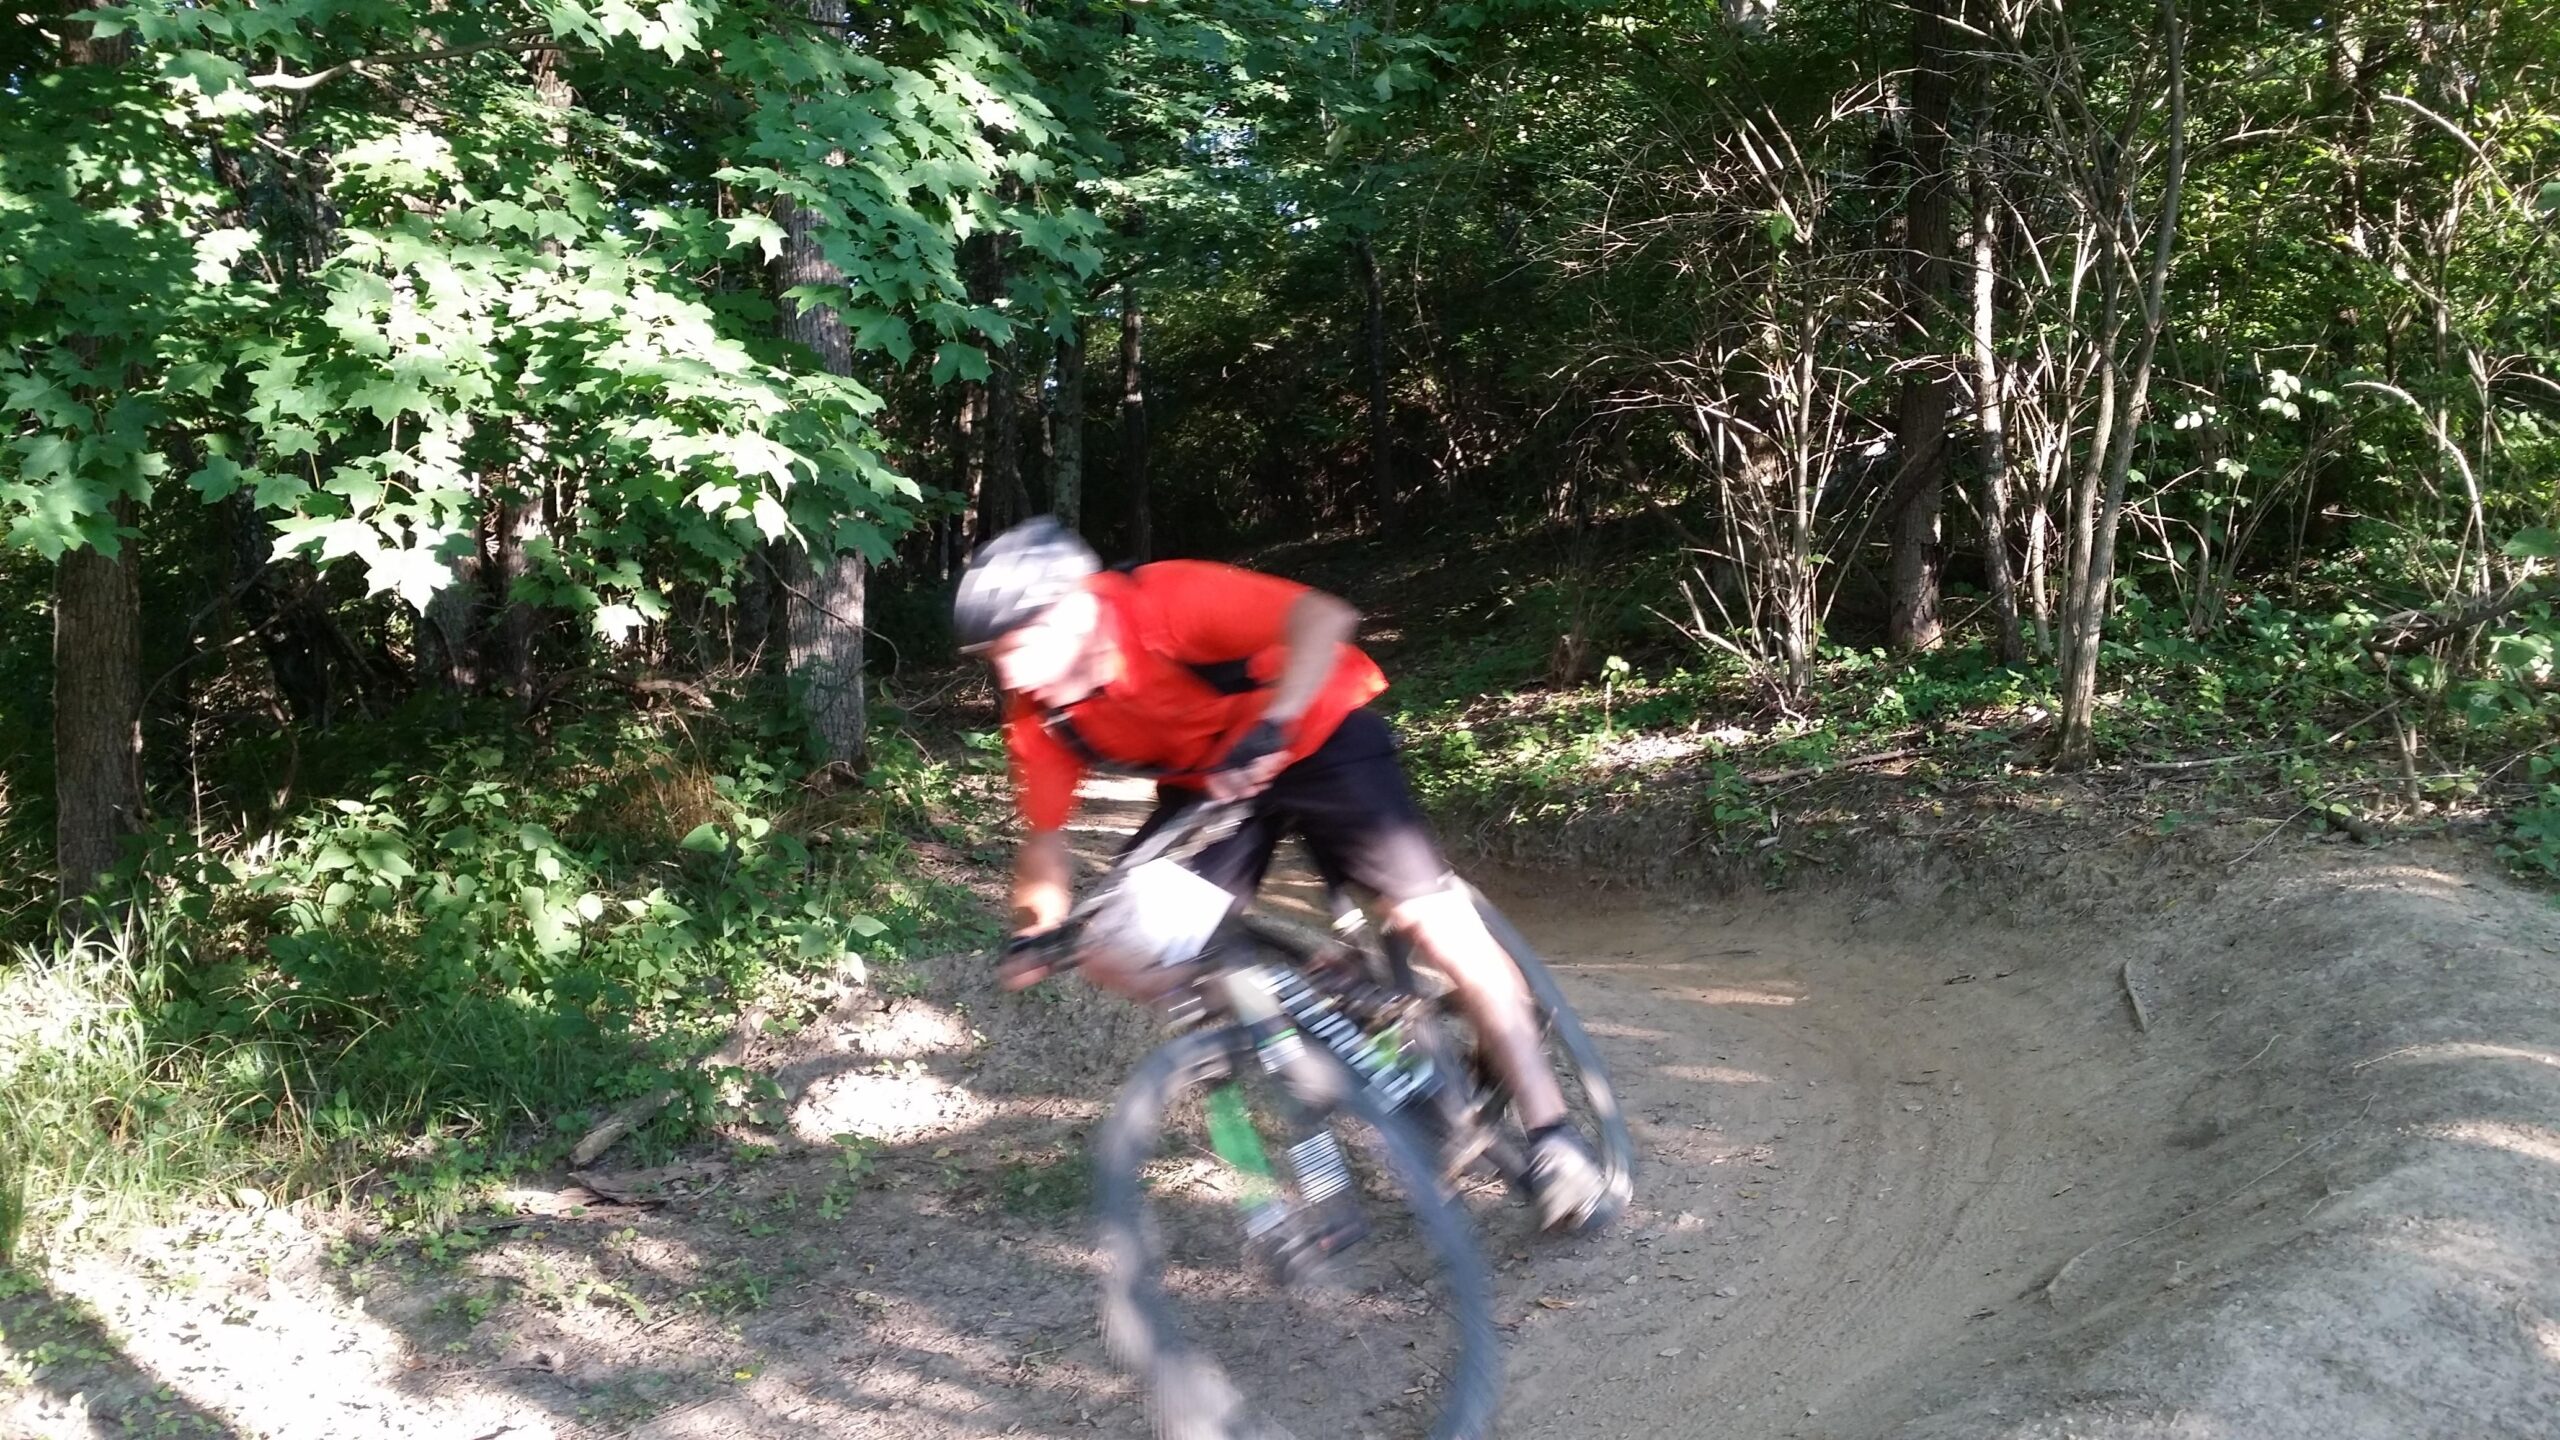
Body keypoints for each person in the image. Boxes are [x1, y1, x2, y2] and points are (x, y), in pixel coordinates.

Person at [953, 515, 1612, 1234]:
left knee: (1430, 920)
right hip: (1216, 789)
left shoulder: (1165, 603)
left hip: (1319, 732)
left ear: (1076, 610)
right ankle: (1312, 1004)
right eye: (996, 658)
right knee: (1122, 945)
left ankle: (1554, 1138)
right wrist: (1037, 931)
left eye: (1017, 647)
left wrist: (1277, 721)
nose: (1010, 674)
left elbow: (1325, 617)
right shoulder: (1044, 714)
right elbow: (1044, 839)